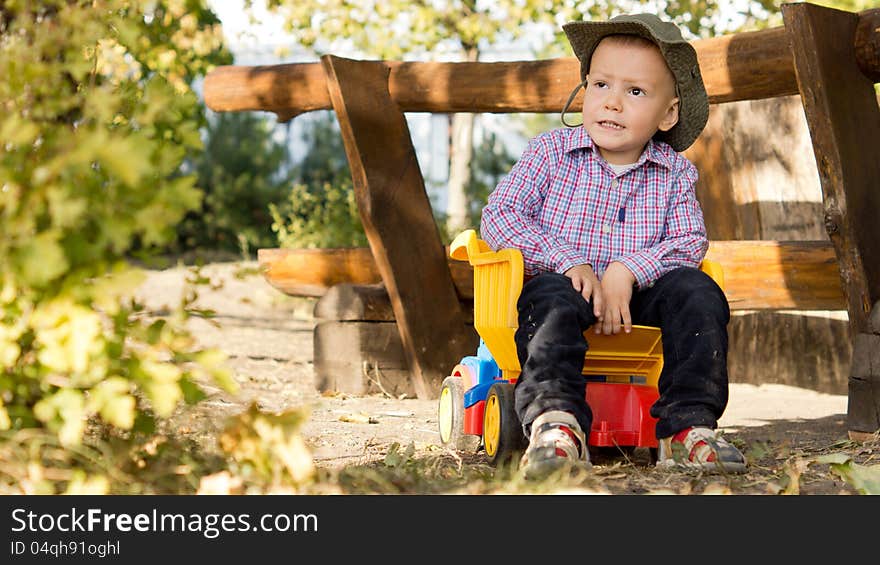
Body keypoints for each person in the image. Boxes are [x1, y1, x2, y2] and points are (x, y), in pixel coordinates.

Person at [479, 13, 747, 478]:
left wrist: (628, 269)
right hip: (563, 289)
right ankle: (556, 423)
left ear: (668, 114)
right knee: (550, 298)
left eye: (635, 91)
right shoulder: (548, 154)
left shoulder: (674, 172)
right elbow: (500, 216)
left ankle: (689, 426)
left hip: (636, 306)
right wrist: (567, 261)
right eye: (601, 85)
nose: (613, 103)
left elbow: (688, 240)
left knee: (698, 293)